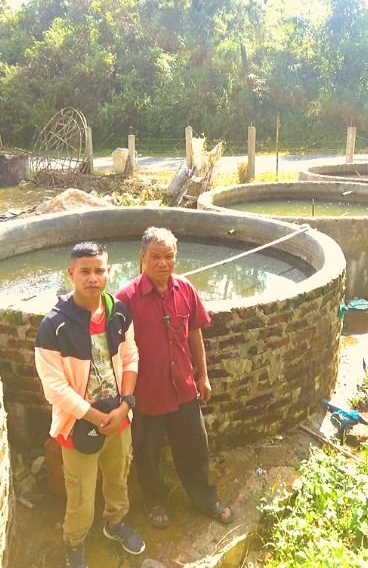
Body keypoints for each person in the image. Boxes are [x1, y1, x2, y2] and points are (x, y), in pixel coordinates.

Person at [34, 242, 145, 567]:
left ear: (109, 272)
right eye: (85, 271)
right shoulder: (54, 326)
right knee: (81, 493)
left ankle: (115, 524)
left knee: (118, 477)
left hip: (119, 416)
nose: (93, 278)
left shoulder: (119, 311)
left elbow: (131, 356)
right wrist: (96, 416)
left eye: (99, 270)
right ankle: (74, 542)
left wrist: (125, 404)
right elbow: (55, 388)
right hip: (79, 424)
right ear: (71, 273)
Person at [114, 227, 234, 529]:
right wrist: (123, 396)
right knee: (147, 453)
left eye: (169, 257)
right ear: (142, 258)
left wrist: (203, 375)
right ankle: (154, 501)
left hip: (183, 388)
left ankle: (206, 499)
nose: (163, 263)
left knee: (195, 447)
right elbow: (116, 351)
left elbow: (195, 334)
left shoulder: (185, 289)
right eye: (155, 257)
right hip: (146, 394)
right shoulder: (126, 298)